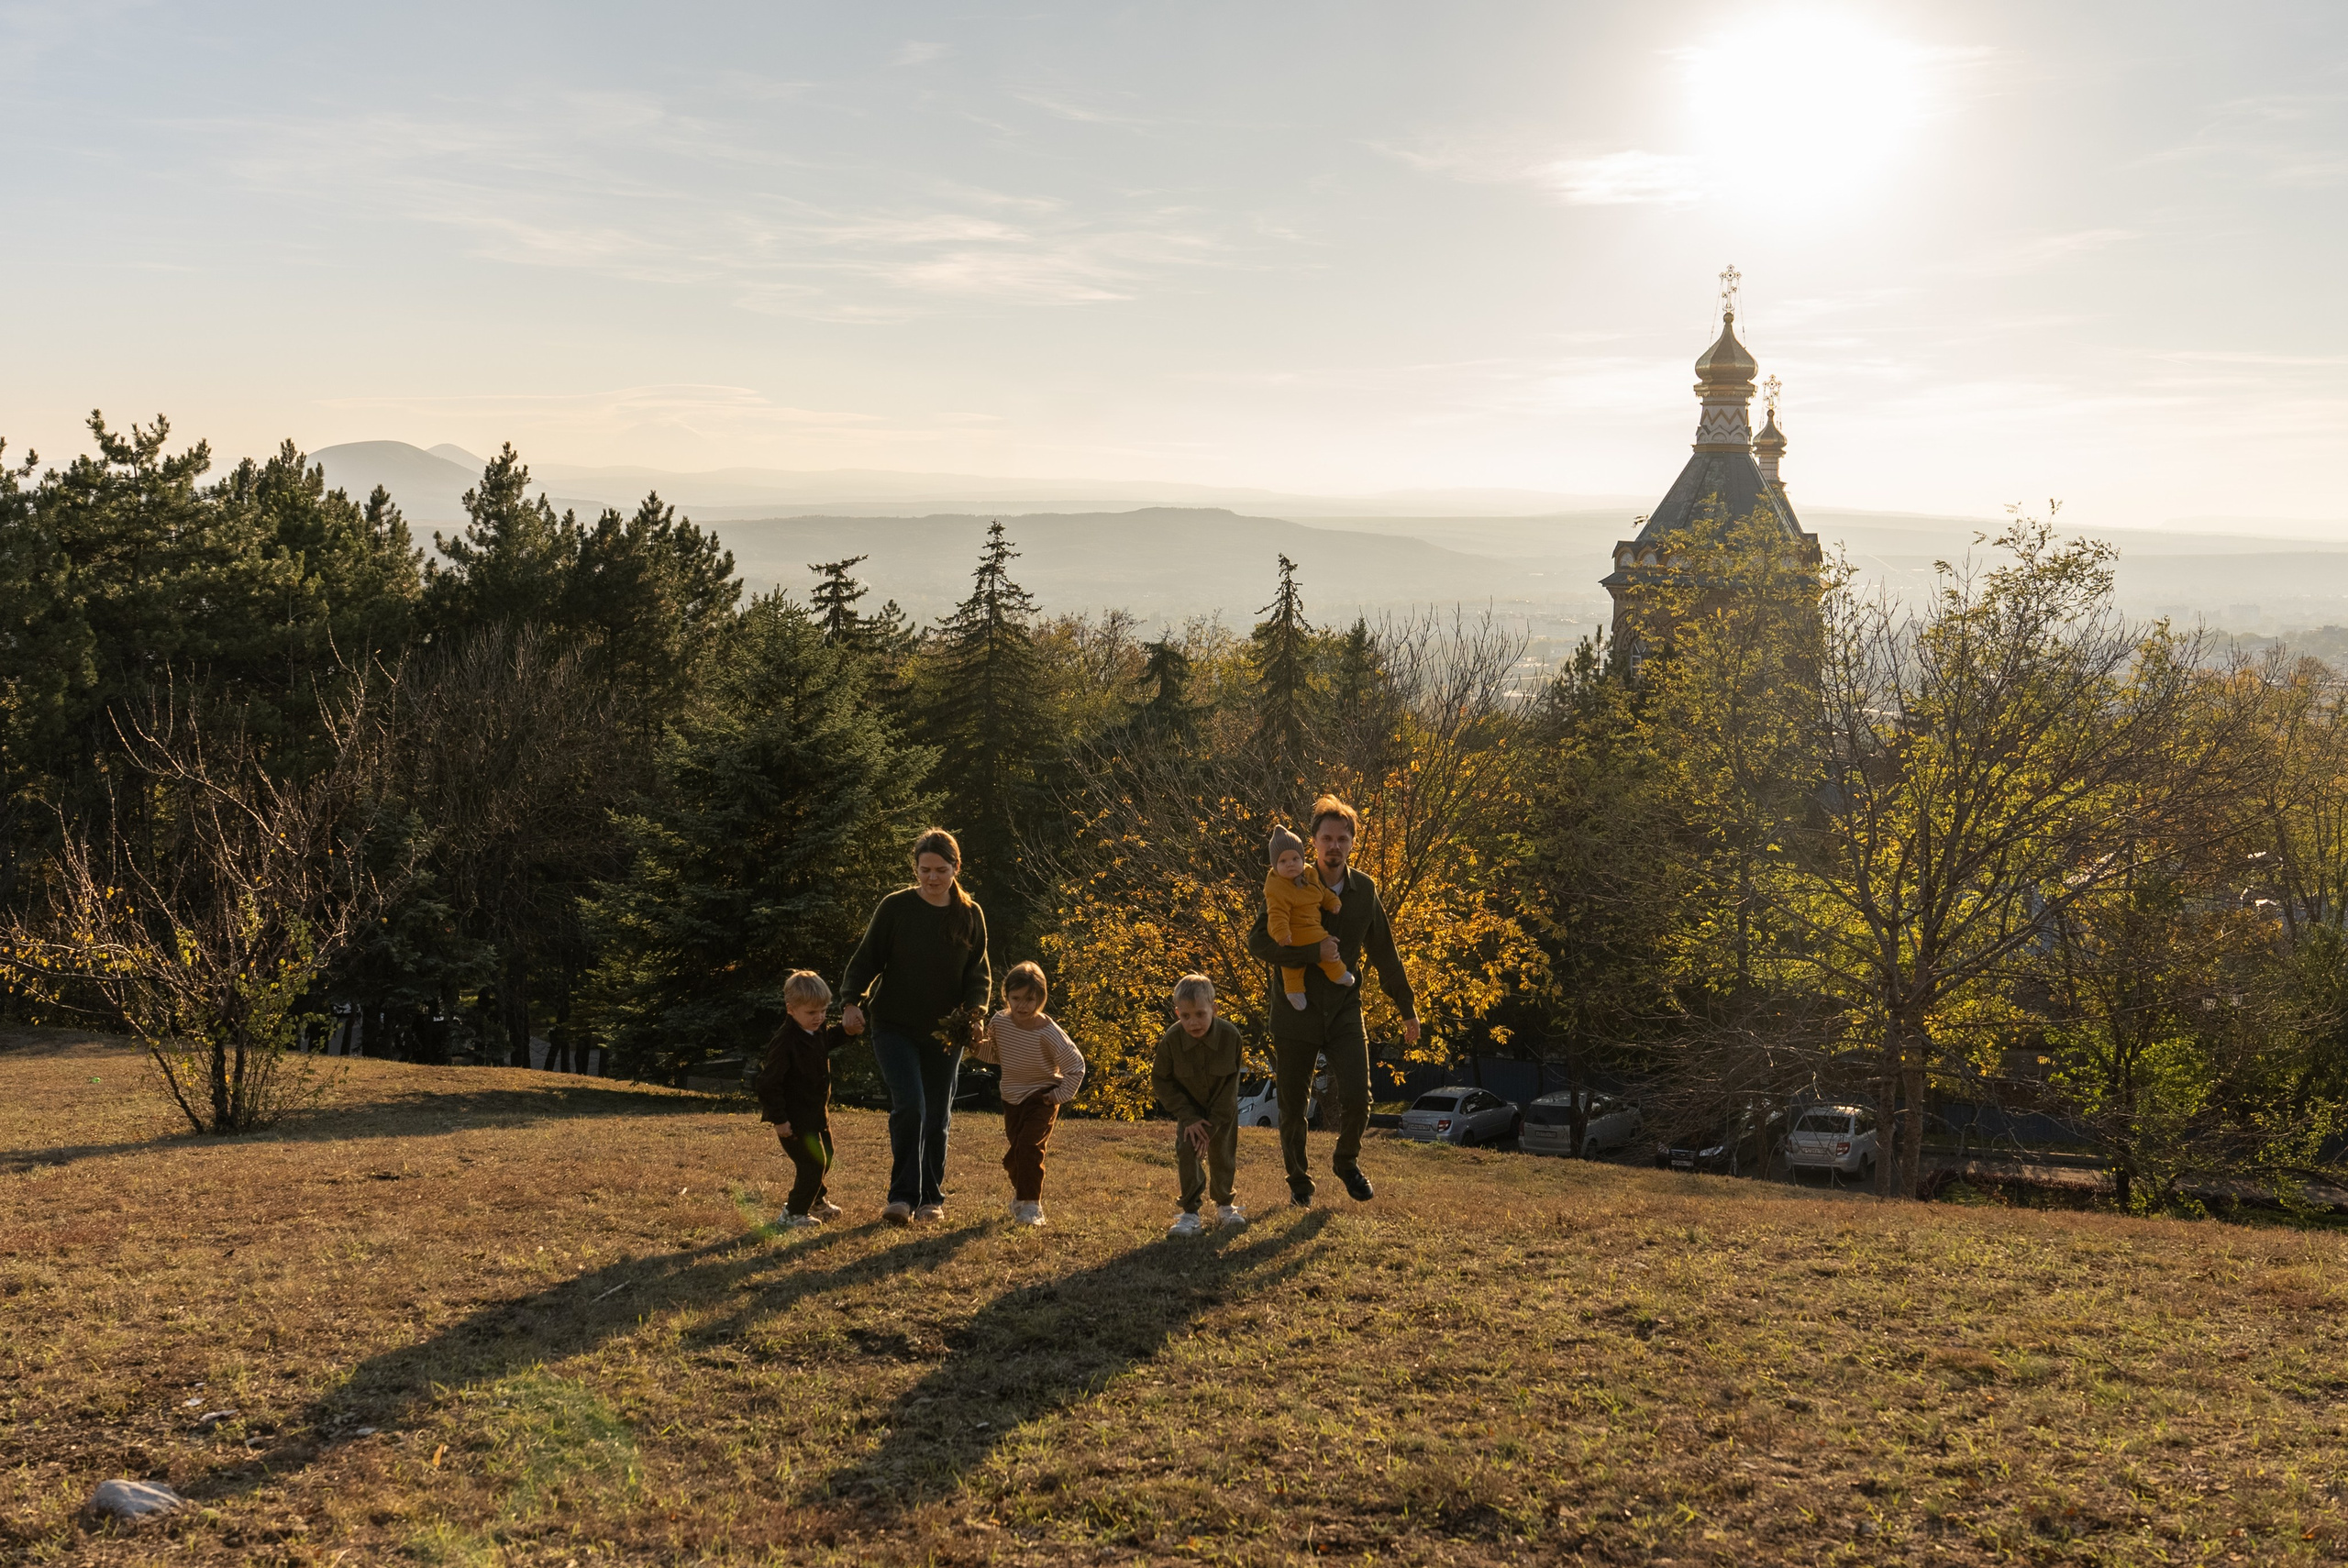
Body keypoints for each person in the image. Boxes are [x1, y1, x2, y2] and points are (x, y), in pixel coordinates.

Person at [1245, 795, 1421, 1207]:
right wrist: (1313, 953)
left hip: (1344, 1010)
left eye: (1343, 838)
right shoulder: (1288, 880)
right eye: (1327, 838)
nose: (1334, 846)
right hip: (1295, 1010)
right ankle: (1300, 1186)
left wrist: (1407, 1008)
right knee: (1292, 1108)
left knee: (1359, 1098)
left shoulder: (1364, 891)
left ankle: (1346, 1162)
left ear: (1353, 843)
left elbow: (1385, 953)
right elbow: (1257, 942)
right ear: (1314, 841)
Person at [841, 827, 991, 1224]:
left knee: (937, 1115)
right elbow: (867, 958)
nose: (932, 878)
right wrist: (851, 1001)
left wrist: (975, 1016)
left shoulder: (970, 914)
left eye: (941, 870)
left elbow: (977, 974)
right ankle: (901, 1198)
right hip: (894, 1026)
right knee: (910, 1106)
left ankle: (930, 1200)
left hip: (947, 1034)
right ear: (916, 869)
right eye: (925, 870)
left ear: (956, 868)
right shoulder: (896, 907)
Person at [980, 960, 1086, 1228]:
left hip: (1042, 1096)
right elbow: (995, 1054)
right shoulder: (999, 1023)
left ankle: (1032, 1206)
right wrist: (972, 1044)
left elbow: (1076, 1066)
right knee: (1015, 1155)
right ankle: (1021, 1196)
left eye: (1029, 999)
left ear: (1041, 998)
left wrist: (1058, 1095)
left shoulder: (1048, 1032)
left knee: (1029, 1146)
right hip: (1011, 1098)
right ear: (1006, 996)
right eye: (1015, 998)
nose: (1022, 1005)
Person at [1153, 972, 1246, 1236]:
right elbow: (1161, 1081)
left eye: (1200, 1014)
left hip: (1222, 1108)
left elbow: (1231, 1085)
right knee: (1187, 1150)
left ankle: (1225, 1204)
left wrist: (1213, 1124)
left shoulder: (1231, 1036)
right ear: (1177, 1013)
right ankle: (1190, 1212)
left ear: (1214, 1009)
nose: (1193, 1022)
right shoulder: (1171, 1040)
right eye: (1185, 1016)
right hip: (1189, 1108)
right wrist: (1189, 1117)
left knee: (1223, 1152)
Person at [755, 970, 846, 1227]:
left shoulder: (816, 1031)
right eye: (811, 1012)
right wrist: (779, 1119)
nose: (819, 1017)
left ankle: (816, 1200)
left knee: (826, 1157)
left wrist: (847, 1032)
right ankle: (793, 1213)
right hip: (794, 1120)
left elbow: (827, 1041)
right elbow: (768, 1083)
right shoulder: (785, 1041)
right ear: (791, 1009)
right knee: (811, 1165)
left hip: (817, 1115)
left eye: (823, 1011)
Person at [1263, 823, 1354, 1010]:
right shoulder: (1276, 886)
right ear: (1274, 865)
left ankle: (1333, 975)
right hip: (1291, 930)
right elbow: (1277, 912)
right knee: (1301, 958)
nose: (1290, 864)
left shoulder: (1310, 875)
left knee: (1320, 945)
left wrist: (1332, 902)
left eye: (1295, 859)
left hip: (1309, 926)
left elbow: (1322, 891)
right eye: (1283, 861)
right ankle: (1298, 988)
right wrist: (1281, 932)